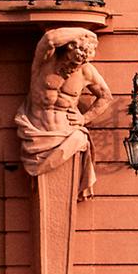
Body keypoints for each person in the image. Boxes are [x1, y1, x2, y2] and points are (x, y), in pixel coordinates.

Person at [15, 26, 111, 199]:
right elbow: (50, 38)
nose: (73, 66)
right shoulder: (44, 62)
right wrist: (85, 36)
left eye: (79, 63)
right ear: (67, 49)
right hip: (37, 136)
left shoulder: (86, 71)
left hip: (69, 135)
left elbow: (106, 96)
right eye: (72, 60)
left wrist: (84, 118)